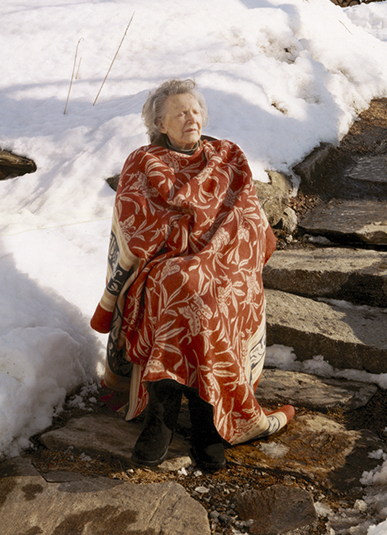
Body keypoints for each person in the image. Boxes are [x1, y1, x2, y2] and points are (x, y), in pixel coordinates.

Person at [90, 78, 295, 472]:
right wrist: (188, 243)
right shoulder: (142, 162)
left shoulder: (228, 156)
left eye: (196, 110)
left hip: (225, 262)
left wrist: (214, 250)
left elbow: (250, 217)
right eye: (180, 112)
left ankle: (205, 419)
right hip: (165, 262)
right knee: (182, 284)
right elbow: (135, 224)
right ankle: (164, 416)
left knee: (211, 290)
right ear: (160, 124)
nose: (192, 117)